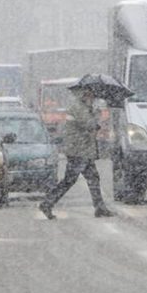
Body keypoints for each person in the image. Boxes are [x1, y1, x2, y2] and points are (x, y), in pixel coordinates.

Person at [39, 88, 114, 219]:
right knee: (71, 180)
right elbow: (89, 124)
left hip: (82, 150)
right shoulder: (79, 108)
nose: (92, 97)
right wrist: (96, 115)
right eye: (90, 95)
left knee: (93, 178)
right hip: (78, 151)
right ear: (84, 95)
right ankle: (47, 203)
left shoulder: (83, 107)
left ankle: (99, 207)